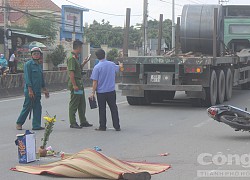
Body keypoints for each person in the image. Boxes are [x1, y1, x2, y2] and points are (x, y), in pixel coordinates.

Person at [16, 47, 49, 130]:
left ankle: (36, 125)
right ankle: (19, 123)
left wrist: (44, 89)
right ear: (31, 55)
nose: (36, 55)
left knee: (38, 107)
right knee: (27, 107)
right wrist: (30, 90)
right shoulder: (28, 64)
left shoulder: (39, 65)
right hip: (30, 90)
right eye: (34, 54)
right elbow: (27, 78)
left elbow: (41, 78)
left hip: (37, 91)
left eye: (38, 54)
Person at [90, 49, 123, 131]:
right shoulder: (111, 64)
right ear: (105, 55)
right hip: (111, 91)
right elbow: (120, 68)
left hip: (101, 92)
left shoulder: (97, 67)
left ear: (97, 57)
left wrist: (92, 93)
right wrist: (121, 65)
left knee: (102, 109)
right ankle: (117, 126)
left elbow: (95, 82)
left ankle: (102, 126)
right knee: (113, 108)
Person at [67, 40, 93, 129]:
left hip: (79, 82)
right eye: (81, 47)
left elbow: (78, 69)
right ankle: (73, 122)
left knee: (82, 103)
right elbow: (71, 73)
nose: (81, 49)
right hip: (76, 83)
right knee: (74, 103)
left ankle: (83, 121)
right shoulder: (71, 58)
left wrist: (84, 62)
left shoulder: (75, 58)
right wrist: (74, 85)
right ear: (78, 47)